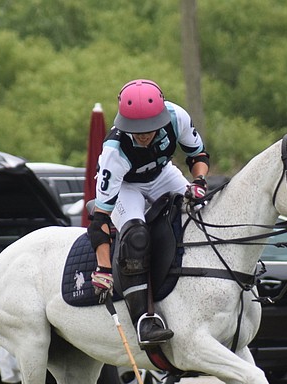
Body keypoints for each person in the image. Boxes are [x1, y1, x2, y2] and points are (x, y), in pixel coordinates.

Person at [88, 78, 210, 347]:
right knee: (136, 236)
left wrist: (199, 184)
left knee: (203, 210)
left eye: (149, 128)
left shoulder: (177, 117)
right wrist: (103, 267)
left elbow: (198, 156)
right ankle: (144, 319)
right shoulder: (114, 152)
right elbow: (99, 222)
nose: (143, 134)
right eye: (136, 129)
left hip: (162, 174)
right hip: (126, 186)